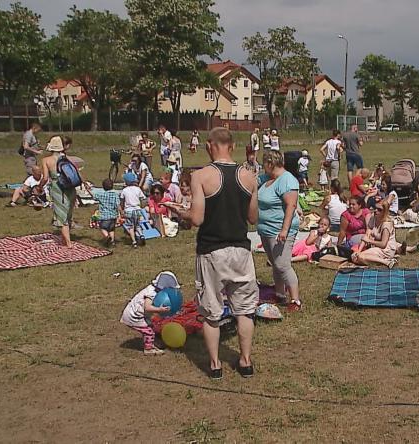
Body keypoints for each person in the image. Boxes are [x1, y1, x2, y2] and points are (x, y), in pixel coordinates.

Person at [172, 127, 260, 380]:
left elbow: (197, 218)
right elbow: (253, 217)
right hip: (241, 251)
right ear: (232, 146)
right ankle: (245, 361)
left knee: (211, 312)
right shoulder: (249, 176)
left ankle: (215, 365)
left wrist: (181, 212)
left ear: (209, 145)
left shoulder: (201, 176)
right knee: (244, 310)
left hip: (212, 251)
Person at [258, 150, 302, 311]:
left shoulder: (287, 180)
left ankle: (295, 300)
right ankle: (280, 294)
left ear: (270, 164)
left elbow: (291, 205)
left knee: (282, 265)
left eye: (264, 164)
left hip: (280, 230)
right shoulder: (266, 178)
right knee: (275, 263)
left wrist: (284, 230)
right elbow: (250, 183)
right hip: (266, 229)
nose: (263, 168)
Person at [120, 273, 174, 355]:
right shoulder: (151, 293)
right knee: (149, 331)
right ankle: (148, 348)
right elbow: (147, 307)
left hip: (138, 314)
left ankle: (152, 342)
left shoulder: (153, 289)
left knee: (150, 326)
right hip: (134, 316)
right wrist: (160, 309)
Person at [40, 135, 78, 248]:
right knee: (68, 214)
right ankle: (64, 240)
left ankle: (68, 244)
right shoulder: (67, 158)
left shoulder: (46, 160)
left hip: (58, 188)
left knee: (61, 216)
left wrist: (39, 187)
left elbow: (45, 178)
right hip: (71, 188)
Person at [351, 199, 399, 268]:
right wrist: (359, 250)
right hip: (377, 247)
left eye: (379, 210)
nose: (376, 211)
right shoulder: (373, 218)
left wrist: (370, 241)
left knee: (359, 257)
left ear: (384, 212)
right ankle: (381, 260)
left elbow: (383, 244)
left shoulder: (386, 224)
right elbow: (366, 235)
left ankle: (386, 262)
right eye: (375, 208)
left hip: (386, 249)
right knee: (355, 257)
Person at [90, 178, 121, 247]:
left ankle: (107, 236)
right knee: (112, 229)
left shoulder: (101, 194)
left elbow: (93, 196)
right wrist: (121, 212)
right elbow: (118, 205)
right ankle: (112, 242)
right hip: (113, 216)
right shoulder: (115, 194)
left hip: (104, 216)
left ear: (103, 187)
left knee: (102, 228)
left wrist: (88, 190)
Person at [120, 172, 147, 248]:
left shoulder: (124, 190)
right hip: (137, 210)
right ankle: (141, 235)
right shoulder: (138, 189)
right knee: (138, 225)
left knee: (130, 227)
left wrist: (122, 210)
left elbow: (122, 201)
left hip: (129, 211)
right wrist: (141, 206)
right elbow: (143, 198)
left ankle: (134, 241)